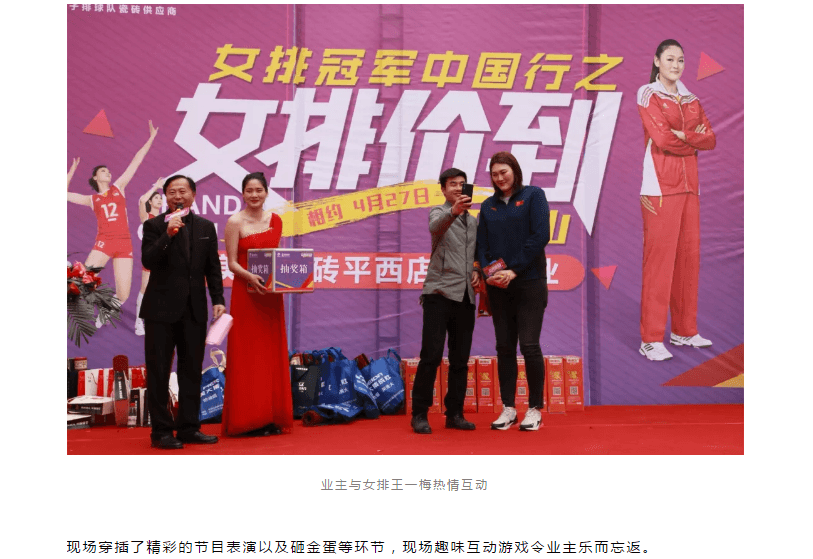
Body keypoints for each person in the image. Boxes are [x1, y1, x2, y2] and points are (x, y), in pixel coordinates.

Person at [636, 39, 716, 361]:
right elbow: (661, 138)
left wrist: (687, 137)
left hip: (690, 187)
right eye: (670, 59)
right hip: (659, 187)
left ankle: (684, 330)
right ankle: (651, 339)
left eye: (681, 60)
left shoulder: (692, 99)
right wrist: (690, 140)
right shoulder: (648, 94)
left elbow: (710, 139)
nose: (676, 65)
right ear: (657, 61)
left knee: (688, 260)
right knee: (659, 264)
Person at [140, 175, 226, 449]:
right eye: (172, 192)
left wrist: (217, 298)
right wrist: (168, 234)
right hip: (160, 311)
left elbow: (213, 266)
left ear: (193, 195)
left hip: (194, 310)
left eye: (182, 191)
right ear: (165, 197)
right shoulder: (154, 226)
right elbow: (148, 260)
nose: (178, 197)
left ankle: (189, 428)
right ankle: (161, 432)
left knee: (191, 372)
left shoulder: (205, 227)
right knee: (159, 372)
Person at [475, 152, 549, 431]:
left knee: (529, 345)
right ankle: (508, 408)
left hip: (529, 282)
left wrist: (514, 270)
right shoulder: (488, 206)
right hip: (498, 287)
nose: (500, 178)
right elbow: (482, 246)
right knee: (504, 347)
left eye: (503, 172)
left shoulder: (534, 196)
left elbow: (540, 236)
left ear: (515, 171)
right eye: (494, 174)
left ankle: (534, 409)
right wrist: (489, 274)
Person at [221, 172, 293, 437]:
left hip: (270, 297)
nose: (254, 195)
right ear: (243, 193)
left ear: (266, 193)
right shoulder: (234, 222)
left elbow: (276, 257)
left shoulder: (275, 220)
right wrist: (250, 276)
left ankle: (270, 416)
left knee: (270, 355)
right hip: (246, 293)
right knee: (248, 355)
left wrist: (289, 278)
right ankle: (247, 419)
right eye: (249, 190)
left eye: (259, 190)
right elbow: (232, 263)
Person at [66, 121, 159, 327]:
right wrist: (71, 171)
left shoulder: (119, 188)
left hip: (124, 244)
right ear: (95, 177)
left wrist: (151, 138)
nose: (108, 172)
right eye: (103, 171)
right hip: (104, 242)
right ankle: (71, 273)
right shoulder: (92, 199)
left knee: (123, 294)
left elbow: (136, 162)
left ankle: (105, 312)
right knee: (84, 282)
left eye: (108, 170)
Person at [410, 168, 480, 435]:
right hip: (438, 294)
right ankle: (419, 413)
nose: (459, 188)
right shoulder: (438, 212)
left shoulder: (473, 222)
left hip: (465, 295)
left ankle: (455, 414)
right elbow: (435, 228)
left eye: (463, 184)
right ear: (443, 189)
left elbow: (477, 252)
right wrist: (454, 211)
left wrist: (477, 269)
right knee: (431, 356)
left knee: (460, 359)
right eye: (453, 184)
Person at [134, 178, 164, 336]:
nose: (159, 200)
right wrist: (155, 187)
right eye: (156, 198)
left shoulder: (165, 219)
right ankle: (139, 322)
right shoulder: (147, 217)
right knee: (145, 290)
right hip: (150, 257)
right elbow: (142, 200)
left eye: (160, 198)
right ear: (151, 202)